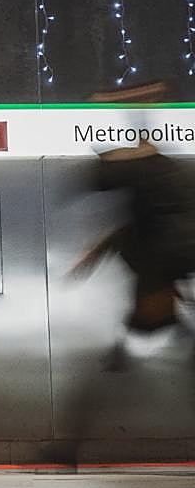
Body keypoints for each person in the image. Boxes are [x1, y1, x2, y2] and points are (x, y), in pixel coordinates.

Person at [70, 82, 195, 370]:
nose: (140, 303)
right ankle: (143, 119)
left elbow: (121, 238)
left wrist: (91, 257)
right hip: (161, 183)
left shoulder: (147, 268)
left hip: (151, 183)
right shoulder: (180, 259)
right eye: (146, 309)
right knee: (101, 176)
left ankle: (141, 123)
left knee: (98, 177)